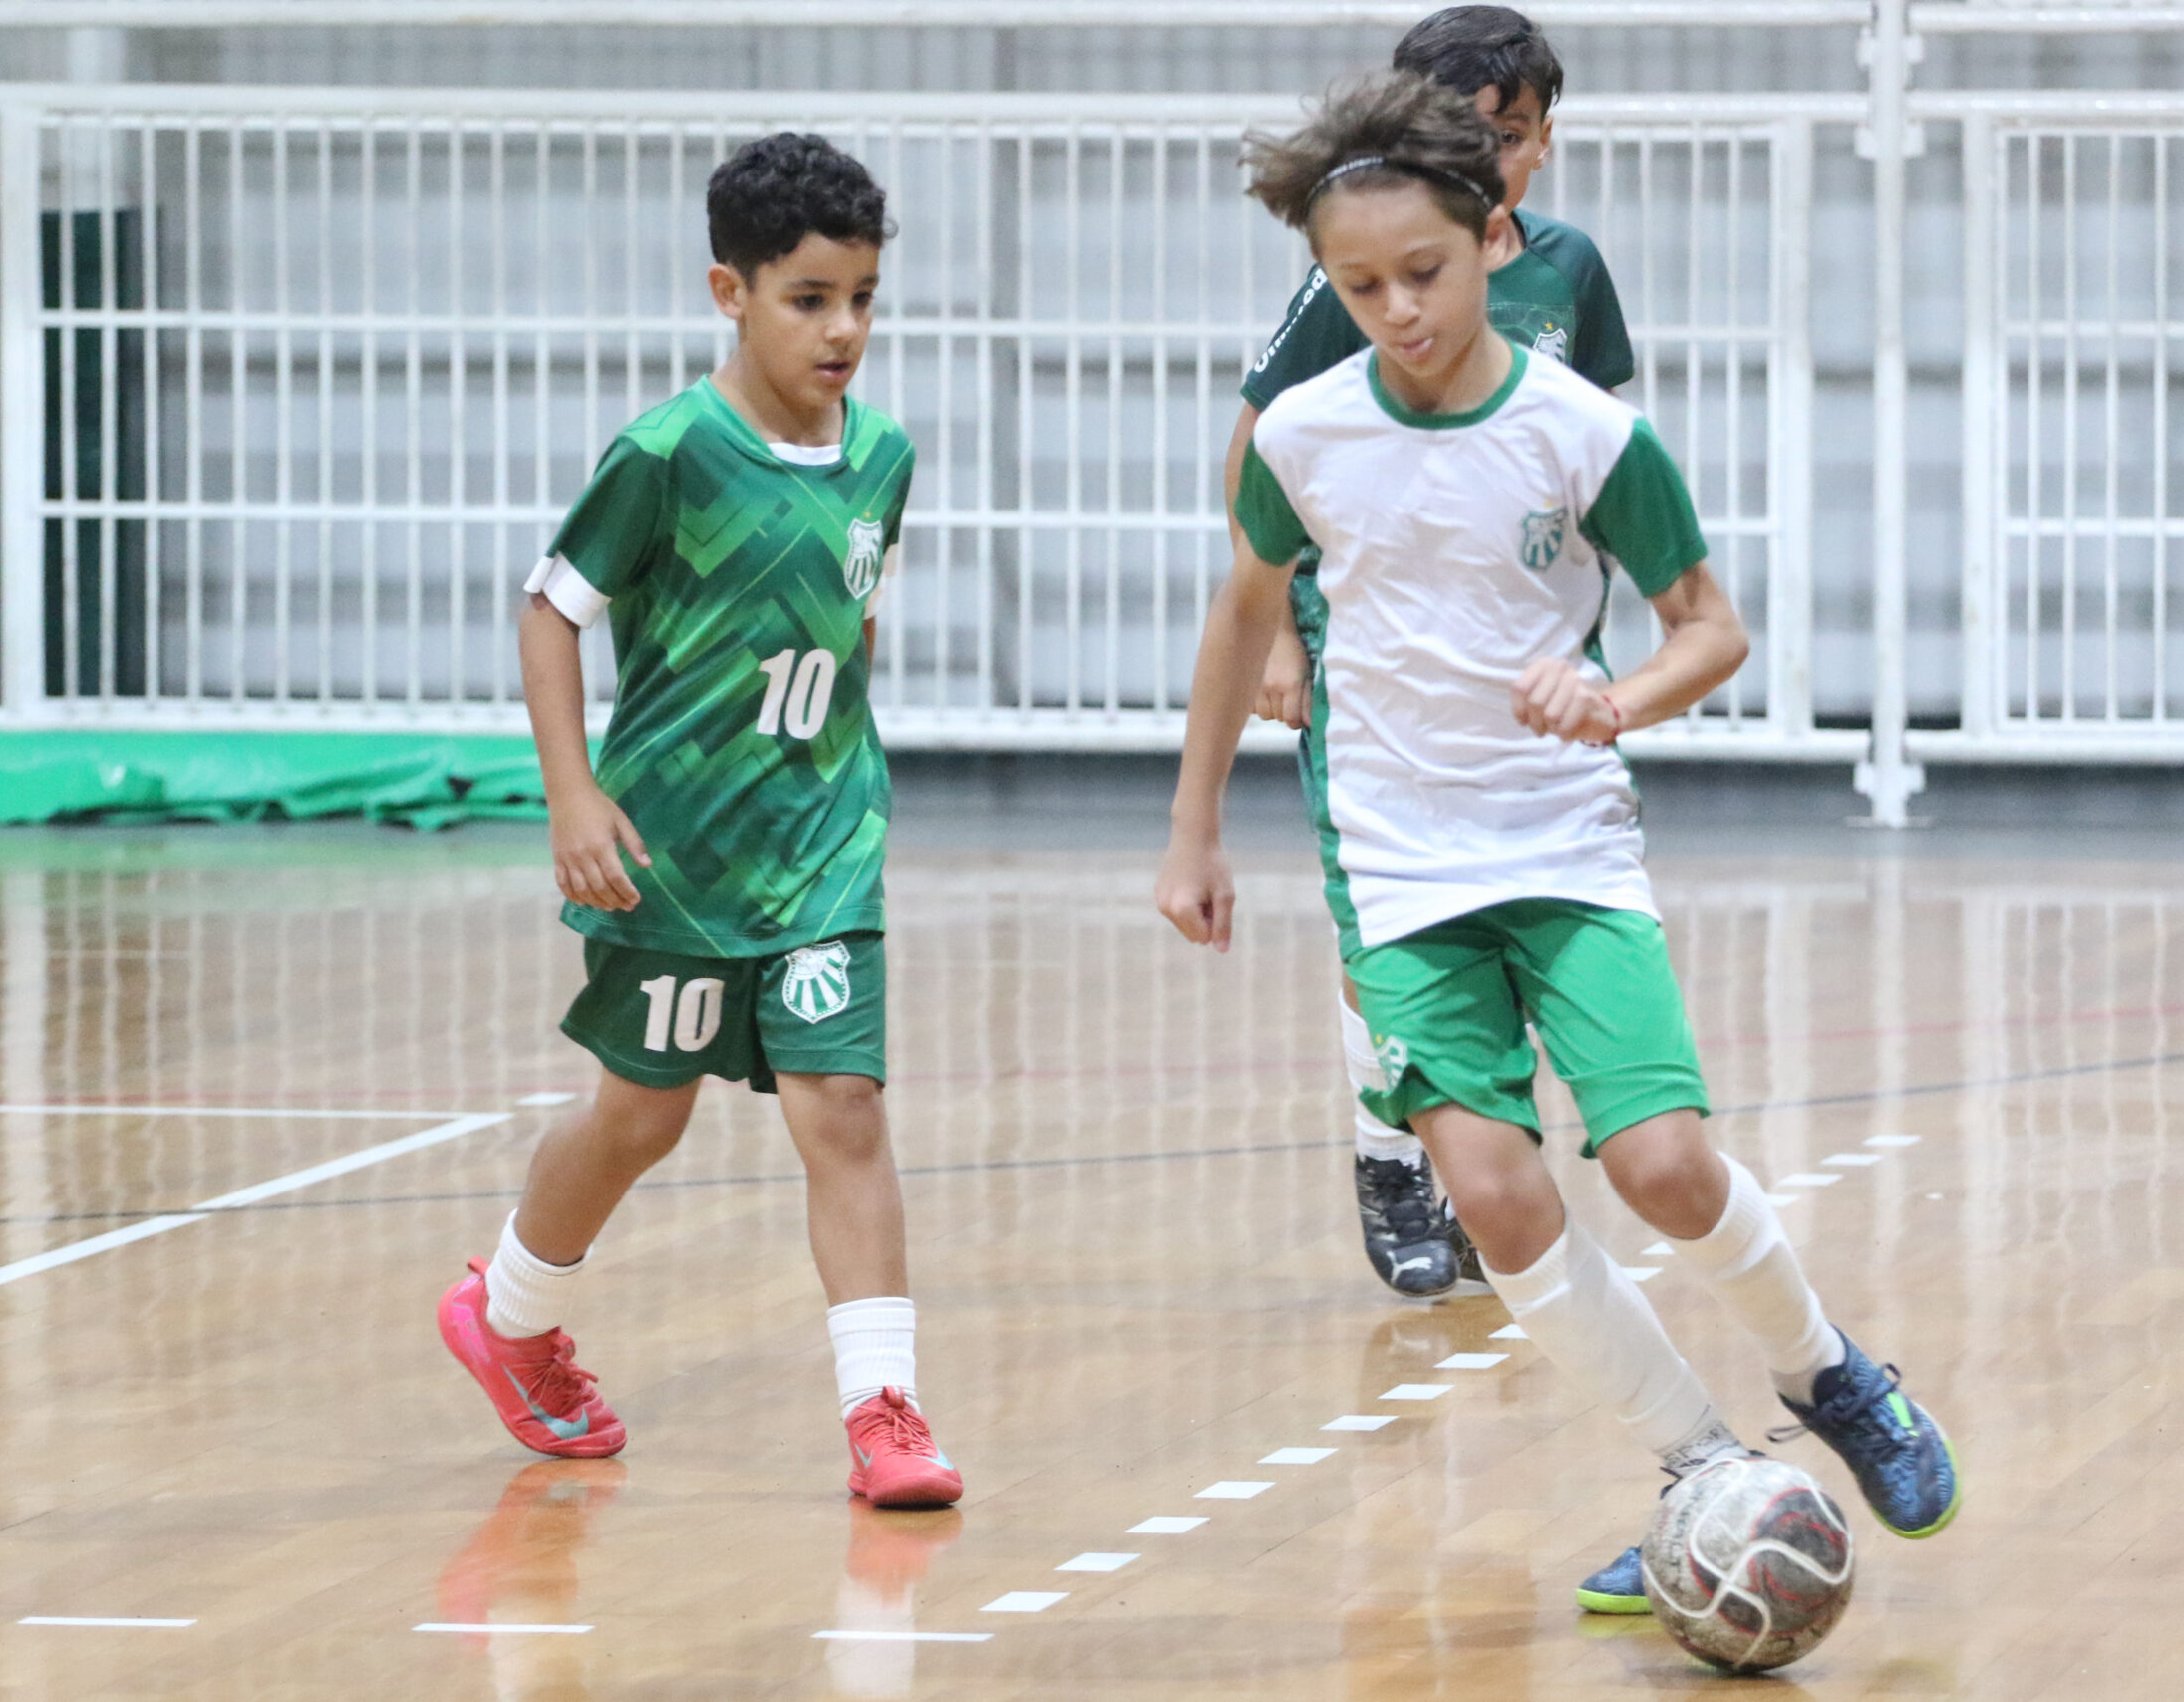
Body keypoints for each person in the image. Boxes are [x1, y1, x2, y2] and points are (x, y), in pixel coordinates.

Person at [1157, 72, 1960, 1616]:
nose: (1395, 308)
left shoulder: (1582, 428)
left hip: (1564, 843)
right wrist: (1193, 829)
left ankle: (1835, 1373)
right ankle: (1703, 1470)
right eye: (1358, 284)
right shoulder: (1305, 435)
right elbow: (1243, 611)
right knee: (1500, 1197)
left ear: (1491, 234)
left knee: (1660, 1165)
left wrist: (1616, 696)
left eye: (1425, 273)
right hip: (1394, 864)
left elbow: (1710, 629)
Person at [436, 132, 960, 1511]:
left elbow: (844, 636)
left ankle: (885, 1409)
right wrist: (574, 793)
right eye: (809, 299)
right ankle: (508, 1318)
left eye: (861, 297)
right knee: (638, 1117)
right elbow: (552, 610)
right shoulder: (670, 452)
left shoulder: (886, 456)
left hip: (825, 848)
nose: (843, 328)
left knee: (841, 1106)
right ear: (728, 290)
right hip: (674, 857)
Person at [1228, 5, 1633, 1305]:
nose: (1488, 164)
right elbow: (1258, 458)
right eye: (1459, 140)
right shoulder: (1362, 280)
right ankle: (1387, 1154)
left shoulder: (1568, 273)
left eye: (1507, 140)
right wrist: (1284, 637)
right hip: (1376, 668)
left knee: (1511, 908)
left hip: (1521, 675)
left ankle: (1475, 1154)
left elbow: (1606, 458)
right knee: (1385, 915)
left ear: (1542, 143)